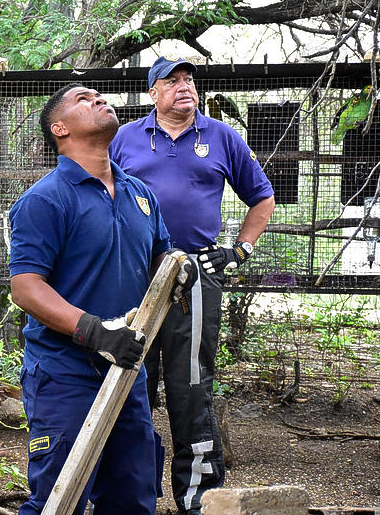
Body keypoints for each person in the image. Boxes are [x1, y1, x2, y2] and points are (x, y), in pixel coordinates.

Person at [9, 82, 195, 515]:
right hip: (65, 374)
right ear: (60, 129)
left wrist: (179, 268)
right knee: (60, 498)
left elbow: (162, 257)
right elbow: (26, 287)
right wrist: (93, 331)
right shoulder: (45, 200)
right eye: (82, 99)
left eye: (98, 95)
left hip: (127, 374)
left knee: (132, 497)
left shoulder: (139, 194)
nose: (97, 99)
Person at [109, 56, 275, 514]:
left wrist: (239, 250)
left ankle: (198, 498)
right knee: (131, 379)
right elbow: (100, 191)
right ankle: (132, 494)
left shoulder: (222, 137)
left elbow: (262, 197)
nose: (184, 87)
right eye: (172, 81)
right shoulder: (125, 137)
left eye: (189, 80)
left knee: (191, 385)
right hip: (137, 276)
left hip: (197, 276)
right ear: (152, 94)